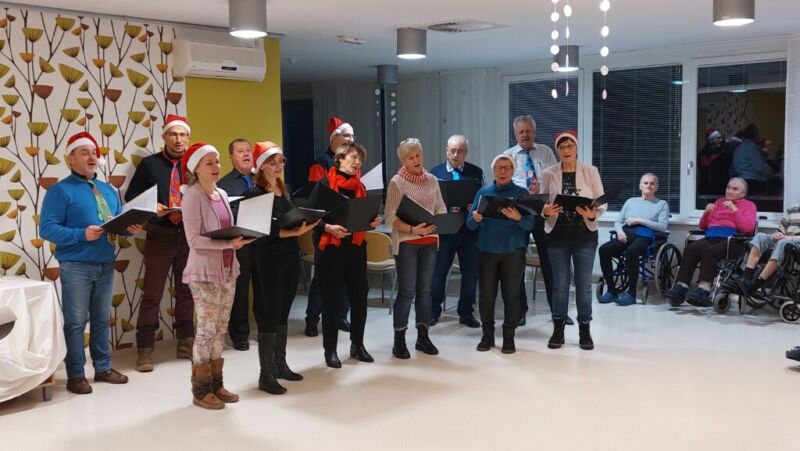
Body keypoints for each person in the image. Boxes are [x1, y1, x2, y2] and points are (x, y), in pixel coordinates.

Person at [40, 131, 140, 394]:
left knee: (101, 320)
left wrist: (130, 228)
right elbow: (47, 229)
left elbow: (116, 223)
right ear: (71, 159)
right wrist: (80, 234)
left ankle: (103, 368)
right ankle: (75, 375)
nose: (92, 157)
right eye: (85, 153)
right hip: (76, 265)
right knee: (75, 322)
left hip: (105, 263)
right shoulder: (59, 191)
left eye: (94, 153)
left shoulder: (109, 190)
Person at [181, 142, 253, 410]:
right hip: (204, 273)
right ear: (196, 169)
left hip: (227, 269)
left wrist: (238, 239)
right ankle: (201, 390)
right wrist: (228, 244)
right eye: (209, 162)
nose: (216, 166)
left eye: (217, 161)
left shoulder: (221, 193)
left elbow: (226, 229)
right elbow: (193, 240)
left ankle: (216, 384)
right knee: (206, 331)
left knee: (221, 329)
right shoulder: (192, 196)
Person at [126, 114, 195, 372]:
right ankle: (145, 349)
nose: (178, 139)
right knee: (152, 294)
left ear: (188, 138)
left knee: (187, 291)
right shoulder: (149, 164)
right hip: (159, 234)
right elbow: (132, 196)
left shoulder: (195, 165)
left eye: (182, 135)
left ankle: (186, 342)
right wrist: (150, 206)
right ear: (164, 137)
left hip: (188, 236)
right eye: (173, 134)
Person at [248, 142, 318, 393]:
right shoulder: (255, 193)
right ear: (261, 166)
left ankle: (280, 364)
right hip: (268, 257)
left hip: (289, 255)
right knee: (270, 311)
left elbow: (291, 220)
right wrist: (294, 232)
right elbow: (260, 231)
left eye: (281, 161)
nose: (278, 166)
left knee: (284, 310)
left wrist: (305, 224)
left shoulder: (284, 189)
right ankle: (265, 374)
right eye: (272, 162)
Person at [314, 143, 381, 368]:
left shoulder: (360, 187)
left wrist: (373, 221)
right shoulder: (325, 184)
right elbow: (310, 218)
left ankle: (357, 345)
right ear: (340, 158)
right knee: (331, 300)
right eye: (353, 157)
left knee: (360, 297)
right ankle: (330, 350)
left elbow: (364, 217)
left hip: (355, 248)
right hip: (330, 250)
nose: (357, 162)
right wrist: (328, 227)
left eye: (360, 159)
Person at [540, 130, 605, 350]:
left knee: (583, 286)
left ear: (576, 148)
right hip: (557, 235)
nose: (566, 150)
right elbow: (542, 203)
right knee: (560, 285)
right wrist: (546, 211)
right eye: (562, 147)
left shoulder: (590, 171)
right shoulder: (549, 173)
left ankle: (584, 329)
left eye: (570, 146)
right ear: (557, 151)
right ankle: (558, 329)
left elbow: (601, 201)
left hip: (584, 235)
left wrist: (593, 213)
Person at [384, 138, 446, 359]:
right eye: (410, 157)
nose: (416, 160)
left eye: (418, 155)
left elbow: (441, 208)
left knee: (425, 291)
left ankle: (423, 337)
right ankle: (399, 340)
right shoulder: (397, 182)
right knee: (407, 291)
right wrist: (412, 229)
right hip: (407, 243)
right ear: (403, 161)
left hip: (429, 241)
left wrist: (437, 221)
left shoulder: (432, 180)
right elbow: (389, 217)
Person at [466, 154, 533, 354]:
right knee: (486, 296)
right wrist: (475, 218)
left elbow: (530, 224)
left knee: (511, 296)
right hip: (487, 251)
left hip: (513, 252)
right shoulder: (483, 192)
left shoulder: (521, 194)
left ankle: (509, 337)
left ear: (513, 171)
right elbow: (469, 225)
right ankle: (487, 335)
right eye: (499, 168)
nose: (503, 171)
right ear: (493, 171)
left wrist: (518, 217)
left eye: (507, 168)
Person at [664, 178, 757, 307]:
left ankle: (704, 289)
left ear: (743, 193)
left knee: (709, 252)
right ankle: (681, 287)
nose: (729, 191)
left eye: (734, 189)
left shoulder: (749, 205)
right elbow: (703, 226)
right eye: (728, 187)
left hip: (733, 241)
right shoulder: (719, 202)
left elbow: (748, 229)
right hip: (711, 237)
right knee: (691, 249)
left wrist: (734, 209)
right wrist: (706, 213)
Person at [504, 115, 560, 326]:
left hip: (544, 211)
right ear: (515, 134)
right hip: (519, 213)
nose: (525, 135)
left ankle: (557, 310)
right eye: (521, 132)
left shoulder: (545, 152)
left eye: (528, 131)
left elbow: (555, 179)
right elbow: (504, 186)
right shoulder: (508, 156)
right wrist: (525, 192)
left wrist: (541, 188)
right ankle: (520, 311)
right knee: (517, 262)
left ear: (534, 132)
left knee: (550, 262)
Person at [305, 116, 353, 336]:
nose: (350, 139)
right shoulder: (321, 163)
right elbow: (313, 200)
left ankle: (341, 317)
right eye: (346, 135)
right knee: (322, 278)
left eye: (352, 136)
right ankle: (312, 319)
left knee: (345, 277)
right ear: (333, 139)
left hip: (348, 228)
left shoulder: (353, 164)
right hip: (326, 228)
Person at [429, 134, 483, 327]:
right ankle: (433, 311)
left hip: (469, 229)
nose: (455, 155)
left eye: (460, 151)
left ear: (466, 153)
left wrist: (474, 206)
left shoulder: (475, 172)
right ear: (446, 151)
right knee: (439, 273)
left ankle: (466, 312)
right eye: (452, 151)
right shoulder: (435, 173)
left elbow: (482, 198)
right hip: (445, 229)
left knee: (470, 273)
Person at [597, 173, 669, 306]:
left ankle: (631, 294)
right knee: (604, 250)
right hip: (626, 233)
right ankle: (612, 291)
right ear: (640, 186)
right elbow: (618, 221)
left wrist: (640, 220)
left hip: (645, 235)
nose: (648, 186)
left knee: (632, 251)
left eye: (652, 183)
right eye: (645, 183)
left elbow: (663, 227)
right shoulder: (631, 201)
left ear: (656, 187)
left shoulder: (661, 204)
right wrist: (619, 231)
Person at [218, 138, 259, 351]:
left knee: (264, 289)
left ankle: (265, 330)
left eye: (248, 150)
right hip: (241, 243)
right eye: (240, 151)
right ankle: (239, 335)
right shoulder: (223, 184)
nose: (246, 154)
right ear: (231, 157)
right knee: (240, 291)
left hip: (265, 242)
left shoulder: (262, 179)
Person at [734, 204, 800, 299]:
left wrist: (788, 238)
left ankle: (756, 284)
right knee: (760, 236)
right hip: (784, 239)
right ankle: (745, 278)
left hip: (796, 244)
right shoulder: (793, 209)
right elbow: (781, 229)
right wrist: (777, 234)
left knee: (782, 243)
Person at [732, 123, 771, 195]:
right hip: (753, 182)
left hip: (741, 180)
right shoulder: (751, 147)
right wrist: (770, 172)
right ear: (755, 135)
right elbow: (759, 166)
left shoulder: (739, 148)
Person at [698, 128, 724, 194]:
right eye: (718, 138)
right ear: (711, 141)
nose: (721, 140)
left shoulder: (720, 152)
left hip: (719, 186)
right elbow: (705, 172)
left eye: (721, 138)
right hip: (709, 188)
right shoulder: (704, 154)